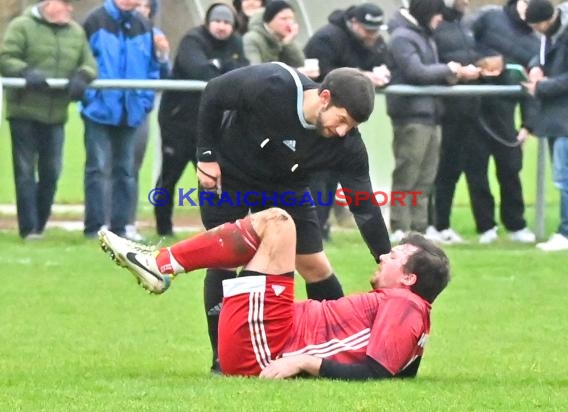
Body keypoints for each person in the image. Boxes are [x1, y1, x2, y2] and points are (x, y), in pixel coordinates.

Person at [194, 63, 391, 372]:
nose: (342, 131)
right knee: (225, 260)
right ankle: (223, 360)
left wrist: (385, 257)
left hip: (285, 186)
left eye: (351, 126)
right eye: (342, 120)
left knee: (315, 265)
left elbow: (363, 203)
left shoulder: (348, 145)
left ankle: (330, 351)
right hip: (229, 173)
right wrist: (205, 155)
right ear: (324, 97)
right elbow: (214, 92)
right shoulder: (272, 84)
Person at [98, 207, 450, 379]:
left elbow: (376, 372)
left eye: (397, 257)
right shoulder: (409, 310)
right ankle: (160, 263)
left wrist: (303, 362)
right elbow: (402, 368)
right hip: (269, 334)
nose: (385, 254)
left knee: (279, 223)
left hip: (266, 343)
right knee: (269, 229)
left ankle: (160, 264)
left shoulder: (407, 305)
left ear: (408, 280)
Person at [0, 0, 97, 239]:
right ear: (50, 4)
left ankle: (40, 223)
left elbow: (89, 63)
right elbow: (6, 57)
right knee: (24, 171)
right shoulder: (21, 26)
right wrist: (25, 72)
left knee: (51, 172)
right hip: (24, 111)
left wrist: (83, 76)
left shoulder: (76, 32)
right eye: (65, 3)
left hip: (56, 114)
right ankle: (28, 228)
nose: (70, 9)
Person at [386, 0, 480, 243]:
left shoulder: (424, 36)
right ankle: (399, 226)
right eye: (438, 14)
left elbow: (428, 72)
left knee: (426, 177)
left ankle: (419, 227)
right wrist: (449, 69)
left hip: (431, 115)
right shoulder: (402, 37)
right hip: (411, 116)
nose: (440, 20)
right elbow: (415, 71)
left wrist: (452, 74)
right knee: (407, 172)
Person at [154, 2, 249, 236]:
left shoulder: (235, 42)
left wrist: (219, 65)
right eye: (217, 21)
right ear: (208, 22)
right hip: (178, 121)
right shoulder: (192, 39)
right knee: (169, 177)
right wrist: (225, 67)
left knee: (214, 178)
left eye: (227, 22)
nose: (221, 27)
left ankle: (219, 227)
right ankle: (163, 228)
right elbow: (200, 71)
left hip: (210, 125)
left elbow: (243, 70)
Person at [304, 2, 391, 242]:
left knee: (333, 177)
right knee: (317, 178)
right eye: (367, 30)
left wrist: (382, 73)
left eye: (375, 30)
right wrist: (363, 75)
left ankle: (321, 227)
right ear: (353, 23)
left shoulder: (372, 42)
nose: (372, 35)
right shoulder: (326, 38)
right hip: (323, 118)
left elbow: (387, 61)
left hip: (344, 120)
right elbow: (323, 76)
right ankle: (313, 229)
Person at [81, 0, 160, 239]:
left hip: (131, 111)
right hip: (100, 109)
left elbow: (152, 67)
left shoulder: (144, 25)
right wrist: (90, 98)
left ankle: (120, 227)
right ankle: (94, 227)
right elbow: (82, 61)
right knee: (97, 169)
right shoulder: (94, 20)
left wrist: (145, 101)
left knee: (125, 171)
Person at [429, 0, 503, 244]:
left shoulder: (466, 24)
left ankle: (487, 226)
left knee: (477, 167)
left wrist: (484, 62)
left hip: (472, 108)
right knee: (446, 171)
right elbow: (434, 64)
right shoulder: (436, 25)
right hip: (449, 111)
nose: (467, 2)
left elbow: (470, 52)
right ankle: (439, 225)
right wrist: (459, 71)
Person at [469, 0, 539, 244]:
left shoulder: (533, 41)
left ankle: (516, 225)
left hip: (506, 117)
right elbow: (465, 42)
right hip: (474, 112)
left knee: (510, 172)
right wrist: (481, 61)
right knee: (476, 173)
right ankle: (485, 227)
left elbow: (530, 88)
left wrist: (528, 125)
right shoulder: (489, 17)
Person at [522, 0, 568, 251]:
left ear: (547, 20)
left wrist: (541, 87)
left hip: (566, 121)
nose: (536, 31)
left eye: (537, 25)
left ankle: (567, 232)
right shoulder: (552, 36)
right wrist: (535, 67)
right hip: (558, 118)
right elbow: (541, 57)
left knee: (565, 178)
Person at [126, 0, 172, 241]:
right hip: (111, 108)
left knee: (132, 167)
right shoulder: (112, 27)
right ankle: (101, 220)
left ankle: (127, 221)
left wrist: (163, 55)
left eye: (146, 5)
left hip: (140, 108)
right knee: (104, 167)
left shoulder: (155, 35)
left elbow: (165, 76)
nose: (140, 8)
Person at [243, 0, 304, 68]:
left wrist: (288, 43)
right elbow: (255, 70)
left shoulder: (286, 37)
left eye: (291, 18)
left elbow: (300, 64)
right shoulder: (252, 39)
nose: (289, 23)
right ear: (269, 21)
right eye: (284, 19)